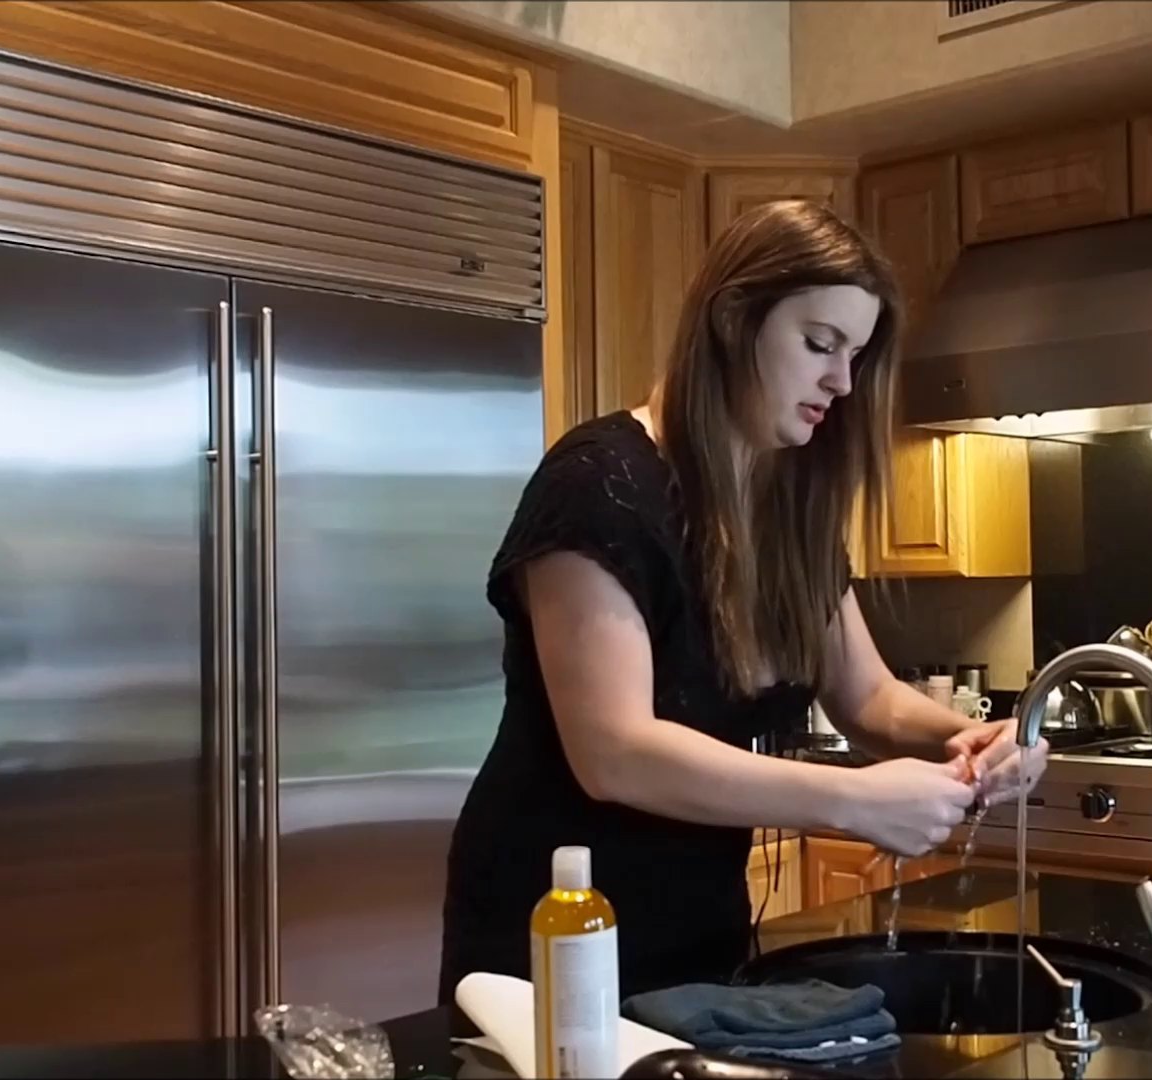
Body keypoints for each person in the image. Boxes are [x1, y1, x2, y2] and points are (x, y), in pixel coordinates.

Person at [438, 200, 1051, 1003]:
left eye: (856, 355)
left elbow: (867, 697)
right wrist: (851, 798)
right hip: (557, 928)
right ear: (733, 320)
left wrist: (972, 739)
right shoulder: (599, 483)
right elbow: (614, 753)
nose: (842, 381)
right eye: (820, 344)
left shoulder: (786, 505)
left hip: (701, 925)